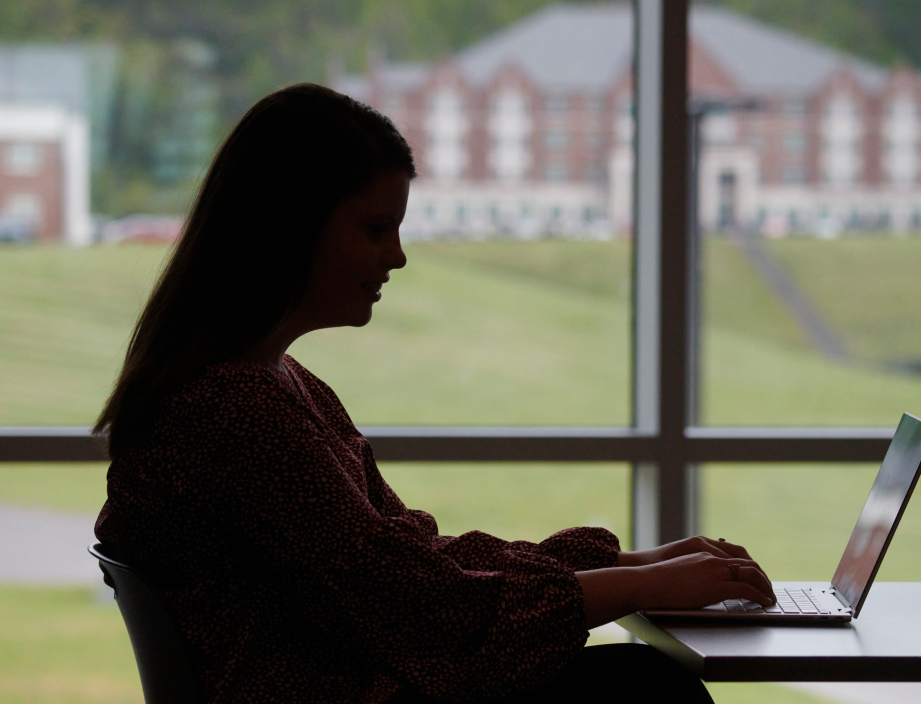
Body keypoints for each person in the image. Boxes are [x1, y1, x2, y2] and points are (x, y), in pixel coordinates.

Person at [94, 83, 775, 704]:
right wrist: (640, 588)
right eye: (373, 228)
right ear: (291, 226)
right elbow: (425, 610)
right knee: (646, 691)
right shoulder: (235, 412)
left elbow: (413, 565)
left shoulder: (274, 388)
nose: (396, 256)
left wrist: (628, 562)